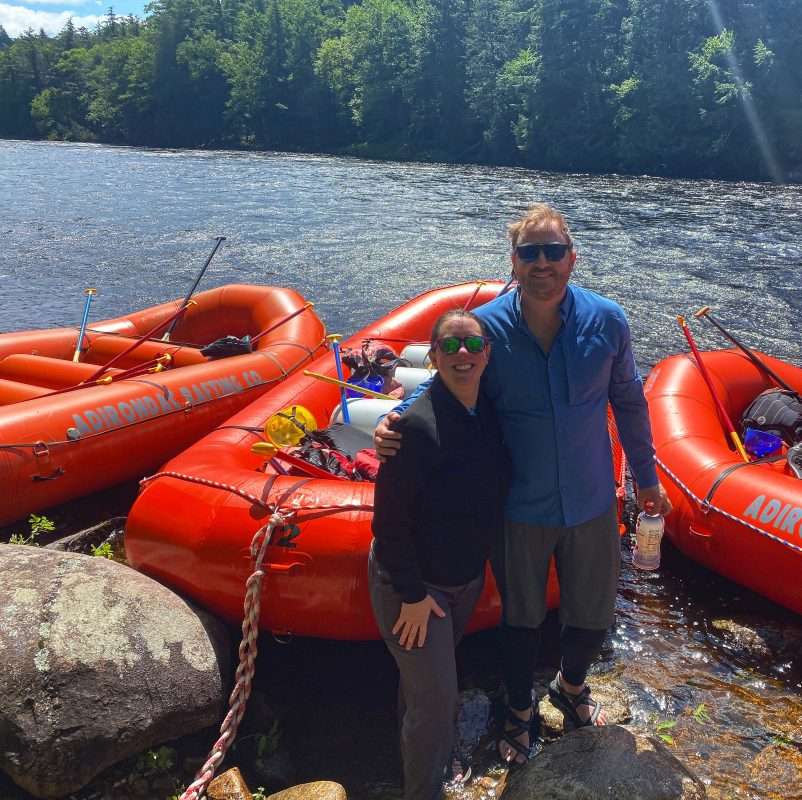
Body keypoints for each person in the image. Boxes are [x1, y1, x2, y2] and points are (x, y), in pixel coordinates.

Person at [374, 203, 671, 764]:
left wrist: (647, 478)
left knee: (591, 613)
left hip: (590, 499)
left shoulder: (608, 321)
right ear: (512, 261)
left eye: (553, 251)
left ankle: (571, 687)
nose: (542, 263)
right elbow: (447, 378)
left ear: (571, 258)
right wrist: (397, 417)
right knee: (521, 618)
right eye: (529, 253)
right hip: (518, 506)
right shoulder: (487, 327)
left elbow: (629, 401)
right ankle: (517, 709)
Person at [369, 309, 508, 800]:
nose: (462, 355)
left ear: (488, 353)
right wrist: (409, 593)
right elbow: (387, 522)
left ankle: (414, 764)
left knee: (422, 691)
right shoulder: (416, 429)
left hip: (462, 580)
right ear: (432, 358)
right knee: (436, 701)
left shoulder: (488, 412)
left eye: (472, 345)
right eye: (449, 347)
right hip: (414, 587)